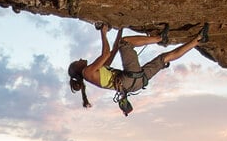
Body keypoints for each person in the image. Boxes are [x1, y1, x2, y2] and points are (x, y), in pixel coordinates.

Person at [68, 23, 209, 112]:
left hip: (135, 84)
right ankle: (160, 38)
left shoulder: (95, 73)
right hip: (128, 80)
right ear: (77, 68)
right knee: (126, 43)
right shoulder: (87, 72)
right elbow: (106, 53)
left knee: (164, 58)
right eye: (77, 61)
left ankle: (197, 40)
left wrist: (120, 29)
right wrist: (103, 32)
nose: (80, 59)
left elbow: (113, 51)